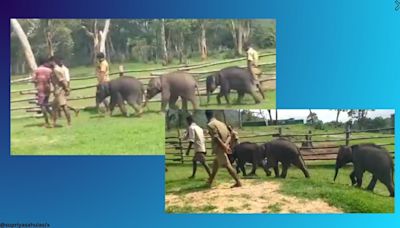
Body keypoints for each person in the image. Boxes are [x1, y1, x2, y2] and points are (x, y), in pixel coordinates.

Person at [205, 110, 242, 188]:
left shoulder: (210, 125)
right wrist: (226, 145)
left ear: (207, 116)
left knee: (227, 165)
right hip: (223, 146)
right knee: (216, 164)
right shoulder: (221, 123)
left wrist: (224, 146)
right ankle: (210, 181)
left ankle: (238, 182)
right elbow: (229, 135)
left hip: (219, 148)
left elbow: (216, 138)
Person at [48, 56, 71, 127]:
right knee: (54, 107)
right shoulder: (56, 69)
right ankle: (53, 123)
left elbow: (62, 81)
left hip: (59, 90)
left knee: (64, 107)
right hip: (57, 90)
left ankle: (69, 123)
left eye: (50, 62)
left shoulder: (56, 70)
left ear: (53, 61)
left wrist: (66, 88)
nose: (49, 63)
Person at [32, 57, 52, 127]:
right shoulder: (49, 70)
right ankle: (53, 117)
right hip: (48, 88)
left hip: (40, 89)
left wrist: (38, 81)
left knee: (42, 105)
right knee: (46, 104)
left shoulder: (37, 70)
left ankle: (47, 121)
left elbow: (33, 80)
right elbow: (51, 79)